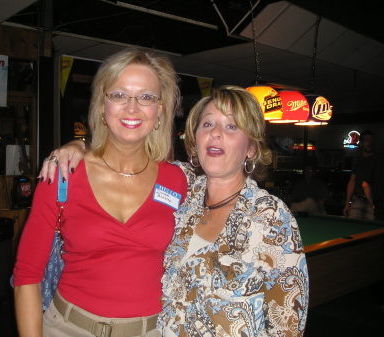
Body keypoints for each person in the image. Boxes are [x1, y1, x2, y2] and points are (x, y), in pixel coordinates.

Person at [41, 86, 309, 336]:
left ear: (251, 148)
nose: (216, 133)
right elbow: (124, 155)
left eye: (231, 126)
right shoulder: (182, 187)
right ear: (195, 139)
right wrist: (78, 147)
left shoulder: (272, 217)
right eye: (208, 124)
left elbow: (287, 323)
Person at [13, 47, 188, 337]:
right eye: (119, 95)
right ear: (102, 107)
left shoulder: (177, 180)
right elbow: (27, 275)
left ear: (160, 111)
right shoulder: (62, 174)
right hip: (69, 328)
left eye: (146, 97)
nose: (132, 107)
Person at [343, 130, 375, 220]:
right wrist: (347, 204)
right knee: (353, 230)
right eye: (367, 141)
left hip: (372, 202)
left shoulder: (377, 160)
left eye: (371, 141)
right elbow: (352, 181)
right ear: (361, 143)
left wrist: (373, 202)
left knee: (371, 231)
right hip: (357, 200)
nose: (369, 143)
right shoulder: (357, 160)